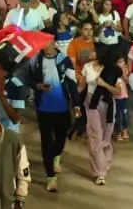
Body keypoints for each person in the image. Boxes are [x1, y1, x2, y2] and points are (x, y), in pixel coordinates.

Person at [26, 37, 81, 192]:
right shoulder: (35, 60)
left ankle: (57, 155)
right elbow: (28, 78)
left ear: (54, 42)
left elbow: (72, 83)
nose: (43, 45)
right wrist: (38, 86)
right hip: (43, 109)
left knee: (61, 138)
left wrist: (76, 104)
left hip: (62, 107)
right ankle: (51, 177)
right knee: (46, 142)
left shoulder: (64, 61)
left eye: (46, 42)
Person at [82, 49, 122, 186]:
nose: (91, 53)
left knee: (106, 136)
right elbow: (81, 87)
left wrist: (103, 84)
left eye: (94, 51)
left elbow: (118, 91)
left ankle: (105, 162)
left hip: (107, 103)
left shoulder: (112, 69)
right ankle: (100, 172)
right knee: (95, 136)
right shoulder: (87, 67)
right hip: (91, 104)